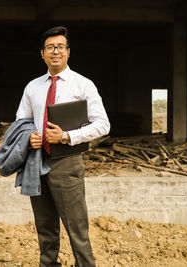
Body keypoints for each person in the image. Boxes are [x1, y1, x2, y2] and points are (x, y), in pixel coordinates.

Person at [15, 26, 110, 266]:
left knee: (77, 229)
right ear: (42, 54)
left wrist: (67, 136)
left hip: (67, 163)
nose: (55, 52)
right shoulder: (33, 87)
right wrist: (29, 137)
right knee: (45, 229)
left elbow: (103, 125)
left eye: (60, 47)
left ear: (68, 52)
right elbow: (21, 122)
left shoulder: (82, 85)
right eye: (50, 48)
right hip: (36, 162)